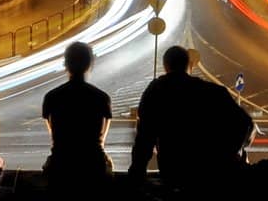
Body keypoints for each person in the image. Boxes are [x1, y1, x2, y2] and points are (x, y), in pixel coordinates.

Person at [129, 45, 256, 192]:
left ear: (165, 66)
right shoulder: (212, 92)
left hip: (174, 175)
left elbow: (144, 138)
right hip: (210, 177)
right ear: (189, 65)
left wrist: (137, 173)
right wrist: (228, 154)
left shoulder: (156, 91)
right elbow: (246, 124)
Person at [41, 41, 113, 190]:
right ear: (89, 65)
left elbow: (53, 132)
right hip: (93, 165)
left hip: (61, 165)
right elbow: (101, 139)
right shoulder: (101, 98)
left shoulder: (52, 97)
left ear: (66, 64)